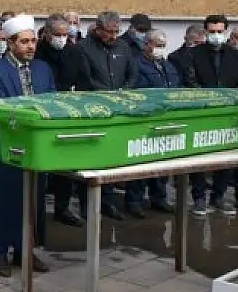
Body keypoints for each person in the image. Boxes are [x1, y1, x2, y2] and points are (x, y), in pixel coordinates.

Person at [0, 15, 55, 278]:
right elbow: (3, 106)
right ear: (11, 43)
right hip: (4, 141)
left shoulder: (43, 69)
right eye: (24, 42)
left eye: (33, 41)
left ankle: (25, 250)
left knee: (32, 198)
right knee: (3, 197)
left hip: (36, 144)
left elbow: (52, 102)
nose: (30, 46)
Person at [77, 11, 138, 220]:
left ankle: (109, 202)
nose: (113, 36)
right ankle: (87, 205)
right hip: (94, 108)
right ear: (98, 29)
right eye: (109, 32)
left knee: (113, 155)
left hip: (118, 109)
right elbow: (85, 77)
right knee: (91, 157)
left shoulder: (123, 47)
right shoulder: (84, 47)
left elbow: (133, 73)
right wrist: (103, 95)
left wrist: (124, 91)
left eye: (116, 31)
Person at [185, 15, 238, 216]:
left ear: (227, 32)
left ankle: (218, 196)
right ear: (206, 32)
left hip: (228, 113)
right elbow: (190, 81)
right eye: (212, 32)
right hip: (203, 112)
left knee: (226, 156)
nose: (216, 35)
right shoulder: (194, 54)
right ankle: (199, 198)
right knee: (200, 158)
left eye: (220, 31)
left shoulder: (236, 55)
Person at [36, 17, 91, 227]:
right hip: (43, 112)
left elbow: (84, 80)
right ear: (47, 34)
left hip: (68, 112)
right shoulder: (37, 52)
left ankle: (62, 207)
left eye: (65, 35)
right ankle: (36, 207)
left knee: (66, 162)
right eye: (57, 35)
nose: (61, 39)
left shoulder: (75, 52)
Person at [127, 29, 178, 216]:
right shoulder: (137, 64)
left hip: (166, 118)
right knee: (141, 163)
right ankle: (134, 201)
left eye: (163, 46)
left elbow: (175, 86)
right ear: (147, 44)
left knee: (161, 160)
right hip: (145, 119)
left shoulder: (167, 65)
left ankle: (159, 197)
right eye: (157, 45)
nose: (160, 50)